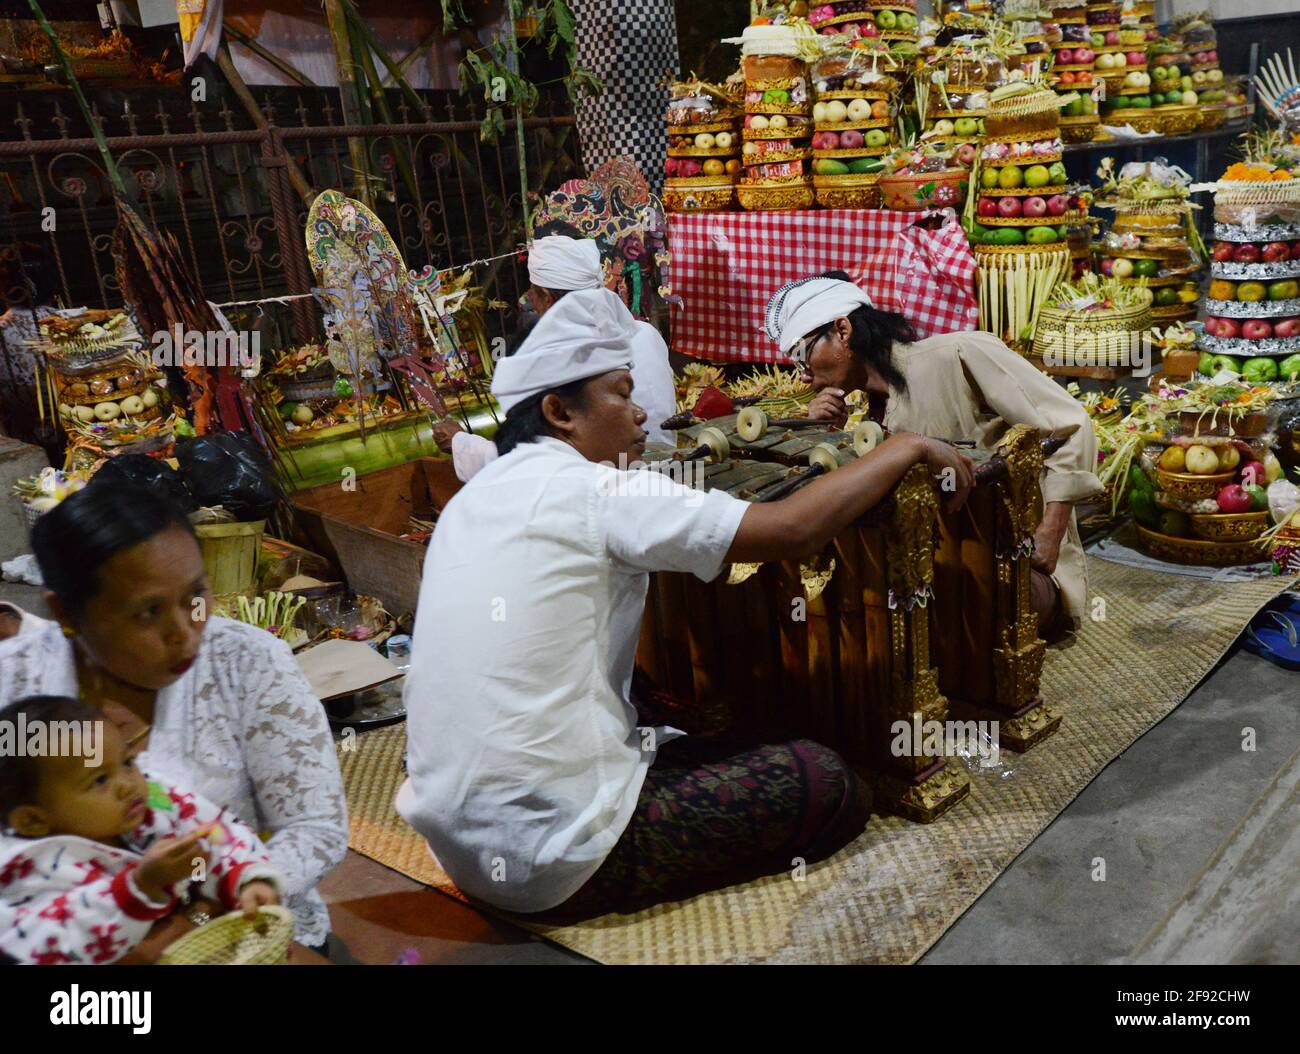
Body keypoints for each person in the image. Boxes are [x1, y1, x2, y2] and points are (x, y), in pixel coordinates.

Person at [397, 287, 974, 917]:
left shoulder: (479, 494)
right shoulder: (594, 491)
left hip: (460, 844)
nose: (642, 411)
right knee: (830, 782)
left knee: (680, 714)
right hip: (554, 855)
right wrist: (904, 446)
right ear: (561, 412)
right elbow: (789, 530)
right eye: (621, 394)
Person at [0, 483, 348, 950]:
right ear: (67, 612)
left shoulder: (246, 661)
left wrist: (204, 912)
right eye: (148, 612)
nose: (185, 635)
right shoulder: (14, 681)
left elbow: (314, 829)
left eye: (195, 596)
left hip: (236, 937)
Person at [771, 273, 1101, 636]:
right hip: (937, 568)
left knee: (967, 610)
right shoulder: (864, 417)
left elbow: (1071, 425)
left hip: (1017, 565)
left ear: (843, 331)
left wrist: (1050, 532)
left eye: (803, 356)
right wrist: (826, 437)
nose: (802, 376)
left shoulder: (959, 354)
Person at [0, 695, 284, 965]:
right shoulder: (28, 871)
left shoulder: (153, 798)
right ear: (33, 821)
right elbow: (54, 942)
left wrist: (244, 879)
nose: (128, 783)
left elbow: (211, 841)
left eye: (127, 762)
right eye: (99, 780)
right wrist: (139, 887)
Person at [434, 233, 678, 480]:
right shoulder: (646, 334)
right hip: (671, 472)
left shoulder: (560, 360)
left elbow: (531, 463)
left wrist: (460, 443)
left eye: (532, 294)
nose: (639, 413)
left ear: (545, 297)